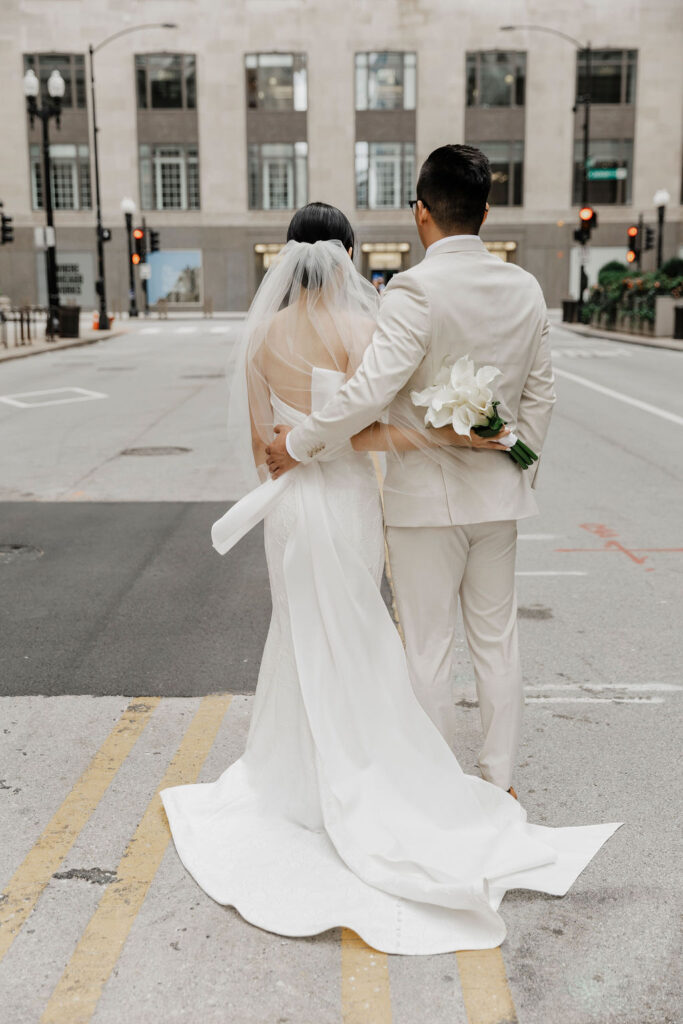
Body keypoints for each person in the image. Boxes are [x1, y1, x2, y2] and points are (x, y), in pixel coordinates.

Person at [161, 196, 620, 956]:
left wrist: (292, 451)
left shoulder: (259, 340)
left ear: (288, 256)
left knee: (301, 634)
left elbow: (262, 448)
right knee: (362, 634)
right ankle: (389, 774)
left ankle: (294, 783)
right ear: (345, 257)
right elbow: (369, 425)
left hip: (288, 514)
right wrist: (453, 439)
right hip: (342, 505)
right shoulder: (359, 327)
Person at [267, 146, 550, 796]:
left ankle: (437, 786)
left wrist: (302, 443)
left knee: (427, 647)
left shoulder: (415, 291)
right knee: (496, 641)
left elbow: (367, 393)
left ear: (420, 212)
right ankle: (499, 780)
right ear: (485, 210)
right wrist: (517, 460)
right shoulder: (524, 289)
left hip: (423, 504)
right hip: (500, 498)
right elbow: (540, 396)